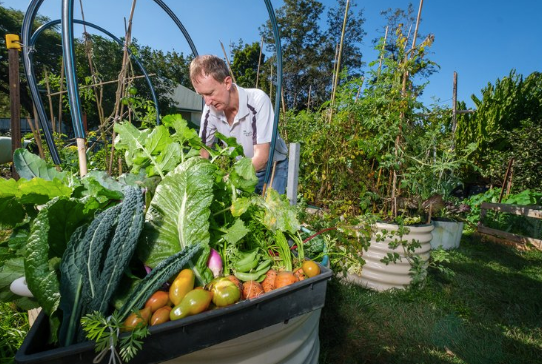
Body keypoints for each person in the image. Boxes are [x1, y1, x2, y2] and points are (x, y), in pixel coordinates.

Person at [190, 55, 288, 194]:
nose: (207, 102)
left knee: (272, 213)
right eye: (202, 95)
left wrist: (226, 180)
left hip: (272, 168)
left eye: (210, 93)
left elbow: (262, 157)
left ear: (227, 83)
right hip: (242, 170)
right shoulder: (210, 109)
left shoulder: (257, 101)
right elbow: (203, 151)